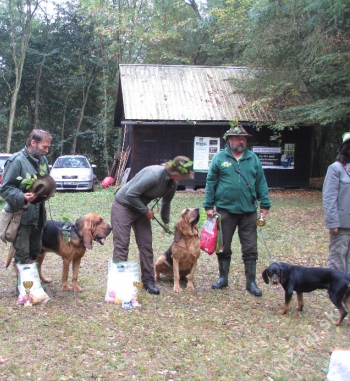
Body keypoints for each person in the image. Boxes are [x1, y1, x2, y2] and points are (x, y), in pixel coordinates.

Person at [203, 125, 271, 296]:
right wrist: (208, 205)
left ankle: (251, 283)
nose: (241, 141)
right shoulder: (219, 158)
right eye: (237, 138)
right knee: (223, 245)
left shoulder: (253, 159)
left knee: (250, 247)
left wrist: (265, 204)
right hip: (225, 209)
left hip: (248, 211)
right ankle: (223, 278)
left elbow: (261, 182)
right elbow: (211, 182)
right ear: (229, 140)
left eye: (244, 138)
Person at [111, 156, 194, 295]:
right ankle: (118, 282)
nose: (184, 178)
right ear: (174, 171)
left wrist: (166, 223)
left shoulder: (172, 184)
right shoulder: (154, 175)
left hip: (140, 208)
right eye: (183, 175)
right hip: (123, 205)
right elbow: (131, 194)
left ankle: (148, 280)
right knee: (122, 244)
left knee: (146, 244)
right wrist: (146, 211)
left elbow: (166, 203)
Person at [0, 129, 52, 272]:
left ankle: (31, 284)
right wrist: (22, 196)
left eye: (48, 147)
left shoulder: (43, 160)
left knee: (35, 250)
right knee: (22, 253)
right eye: (44, 147)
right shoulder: (16, 161)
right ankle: (22, 288)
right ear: (33, 143)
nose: (46, 151)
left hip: (38, 216)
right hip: (21, 216)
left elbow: (45, 181)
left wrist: (48, 191)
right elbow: (5, 189)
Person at [323, 132, 350, 274]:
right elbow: (329, 197)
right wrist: (332, 222)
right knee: (337, 259)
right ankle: (336, 292)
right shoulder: (335, 168)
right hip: (341, 225)